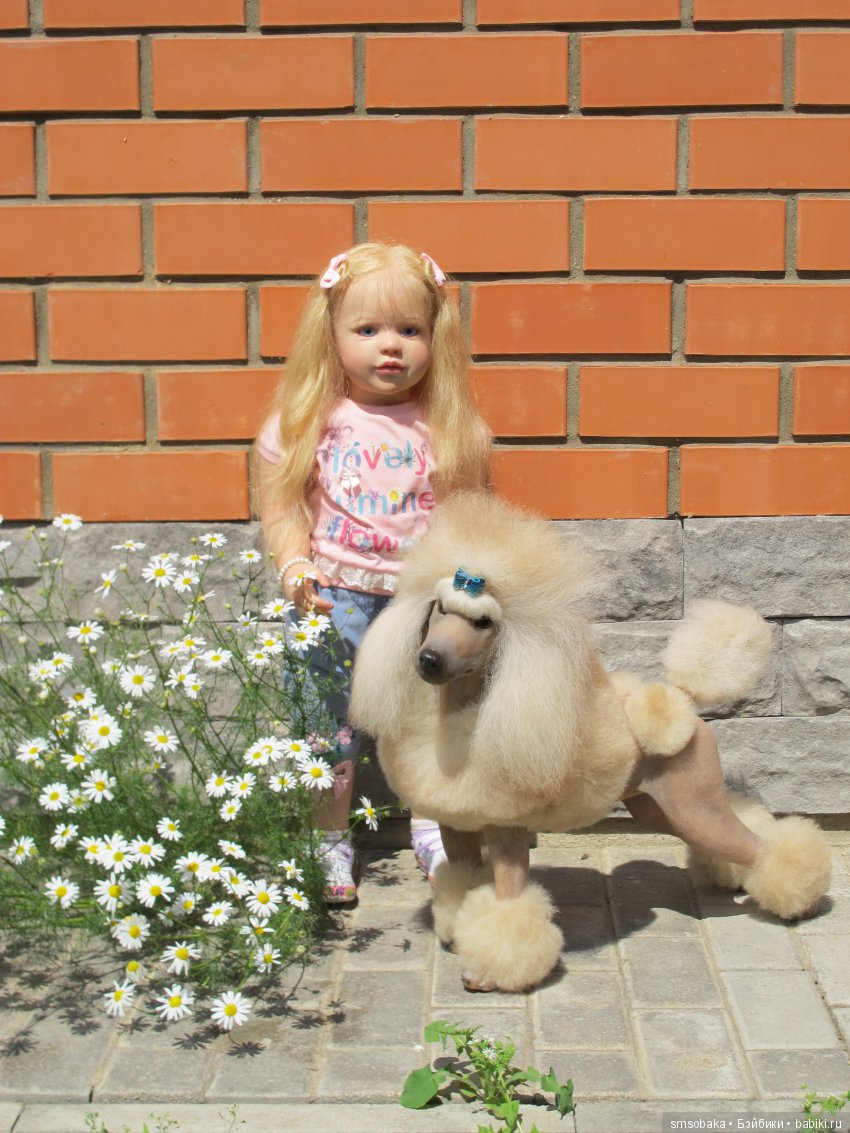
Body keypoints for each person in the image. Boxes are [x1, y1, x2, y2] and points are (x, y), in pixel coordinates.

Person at [255, 242, 491, 903]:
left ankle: (432, 826)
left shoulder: (449, 427)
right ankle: (328, 836)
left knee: (428, 715)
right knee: (325, 720)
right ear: (330, 335)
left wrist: (469, 585)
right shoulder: (307, 424)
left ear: (435, 339)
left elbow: (470, 519)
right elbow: (283, 506)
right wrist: (294, 562)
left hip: (422, 604)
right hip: (334, 599)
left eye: (410, 330)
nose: (391, 346)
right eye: (367, 330)